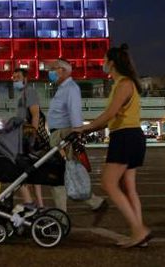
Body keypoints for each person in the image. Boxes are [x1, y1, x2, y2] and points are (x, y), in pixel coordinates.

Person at [75, 44, 151, 248]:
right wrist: (90, 130)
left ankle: (139, 230)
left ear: (112, 63)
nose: (102, 63)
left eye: (104, 60)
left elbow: (111, 114)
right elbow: (112, 117)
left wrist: (86, 127)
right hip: (131, 136)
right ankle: (139, 233)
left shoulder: (124, 84)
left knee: (108, 183)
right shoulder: (124, 83)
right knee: (128, 188)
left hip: (125, 137)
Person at [46, 58, 107, 214]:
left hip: (64, 135)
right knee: (64, 173)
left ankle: (62, 214)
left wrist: (76, 135)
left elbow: (75, 113)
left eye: (53, 68)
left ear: (63, 70)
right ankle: (94, 202)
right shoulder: (62, 88)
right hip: (59, 135)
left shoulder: (71, 88)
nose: (50, 71)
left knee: (58, 174)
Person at [12, 68, 48, 208]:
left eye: (18, 77)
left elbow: (35, 114)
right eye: (13, 77)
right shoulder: (22, 96)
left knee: (22, 171)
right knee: (33, 173)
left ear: (25, 79)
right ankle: (39, 204)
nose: (15, 79)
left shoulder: (29, 92)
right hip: (25, 138)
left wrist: (33, 136)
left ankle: (33, 203)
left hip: (29, 140)